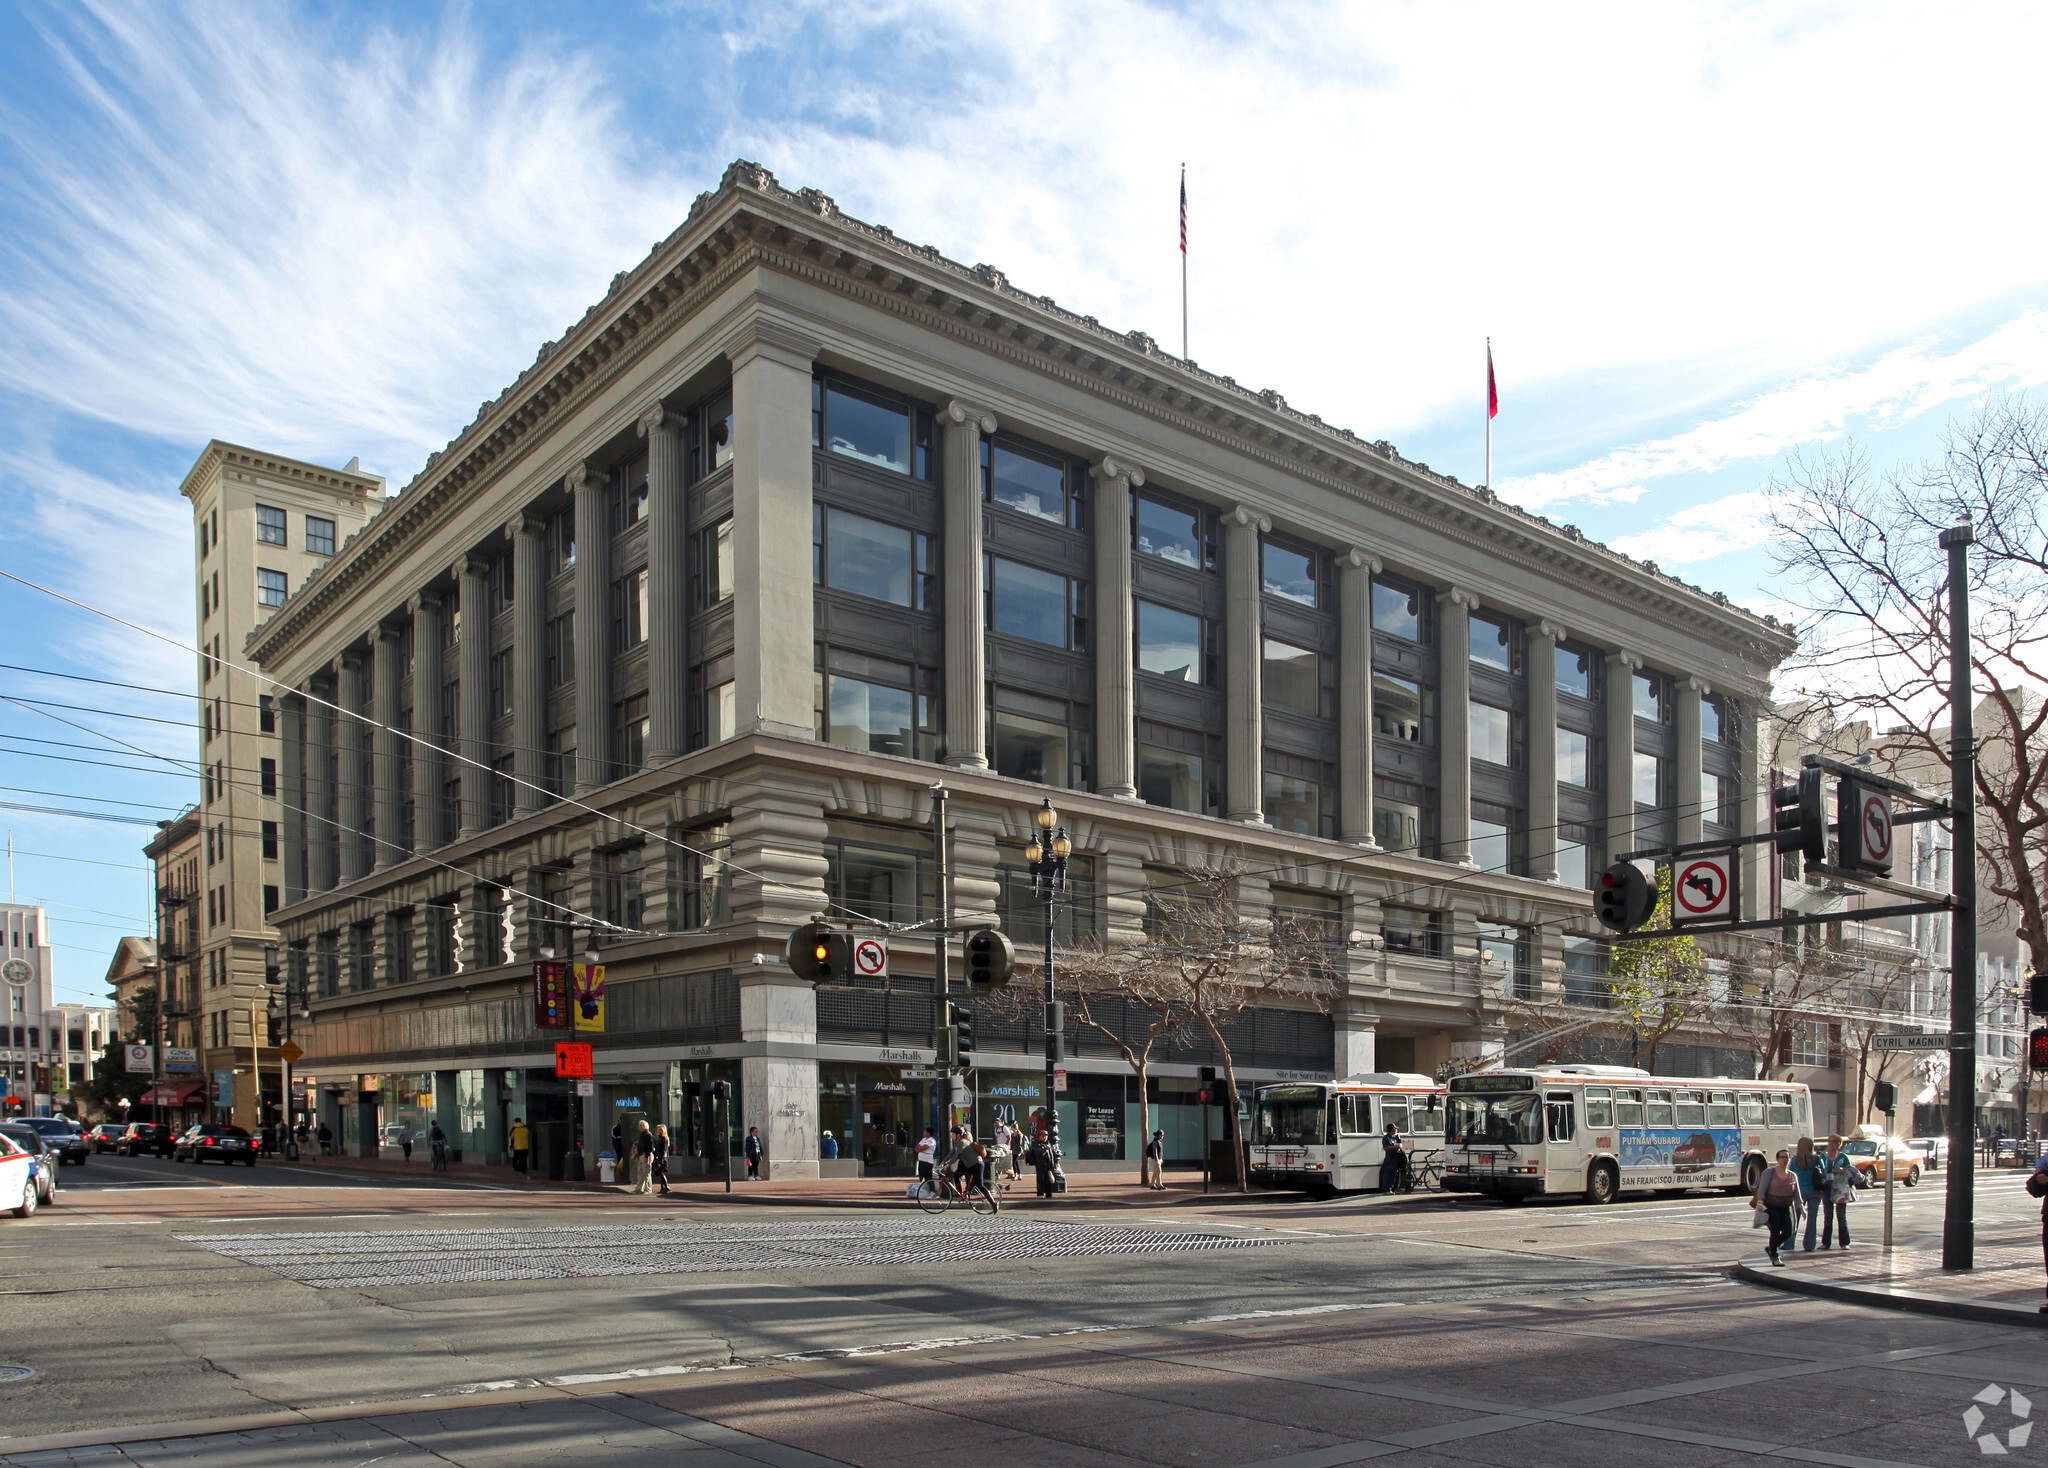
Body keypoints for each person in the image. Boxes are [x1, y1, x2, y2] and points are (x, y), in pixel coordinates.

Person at [1753, 1148, 1802, 1266]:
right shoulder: (1769, 1172)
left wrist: (1802, 1208)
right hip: (1771, 1206)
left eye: (1787, 1157)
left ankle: (1771, 1248)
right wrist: (1760, 1202)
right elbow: (1762, 1190)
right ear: (1777, 1159)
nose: (1785, 1159)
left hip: (1785, 1207)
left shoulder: (1792, 1175)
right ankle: (1775, 1256)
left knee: (1788, 1232)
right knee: (1775, 1231)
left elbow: (1797, 1194)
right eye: (1782, 1157)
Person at [945, 1125, 993, 1208]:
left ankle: (993, 1203)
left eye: (953, 1134)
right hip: (969, 1165)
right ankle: (961, 1195)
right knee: (956, 1174)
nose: (952, 1136)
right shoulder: (957, 1143)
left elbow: (957, 1155)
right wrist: (942, 1163)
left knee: (979, 1184)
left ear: (958, 1135)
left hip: (977, 1165)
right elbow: (951, 1153)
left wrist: (948, 1164)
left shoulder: (962, 1142)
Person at [1791, 1137, 1825, 1252]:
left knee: (1795, 1219)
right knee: (1812, 1219)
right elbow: (1823, 1174)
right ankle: (1809, 1245)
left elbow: (1791, 1176)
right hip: (1814, 1192)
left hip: (1799, 1192)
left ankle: (1789, 1243)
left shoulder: (1795, 1160)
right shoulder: (1816, 1159)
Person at [1820, 1134, 1854, 1250]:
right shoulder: (1823, 1156)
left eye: (1834, 1142)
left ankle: (1844, 1242)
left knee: (1841, 1215)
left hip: (1840, 1188)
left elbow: (1850, 1171)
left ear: (1838, 1144)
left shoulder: (1843, 1157)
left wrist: (1843, 1170)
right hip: (1827, 1187)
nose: (1831, 1144)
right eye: (1830, 1141)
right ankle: (1826, 1242)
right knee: (1828, 1216)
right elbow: (1819, 1168)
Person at [1379, 1120, 1407, 1193]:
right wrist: (1394, 1147)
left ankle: (1395, 1188)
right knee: (1390, 1175)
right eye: (1395, 1129)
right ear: (1392, 1130)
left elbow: (1400, 1145)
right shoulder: (1386, 1138)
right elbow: (1385, 1148)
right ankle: (1387, 1189)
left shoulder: (1395, 1137)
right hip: (1390, 1159)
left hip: (1396, 1158)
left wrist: (1399, 1140)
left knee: (1396, 1175)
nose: (1396, 1130)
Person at [633, 1119, 655, 1194]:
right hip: (641, 1155)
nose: (639, 1128)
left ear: (643, 1126)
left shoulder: (648, 1135)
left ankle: (648, 1189)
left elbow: (649, 1146)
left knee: (646, 1173)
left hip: (646, 1155)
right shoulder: (642, 1135)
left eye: (640, 1126)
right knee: (640, 1172)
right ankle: (639, 1188)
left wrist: (647, 1156)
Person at [651, 1123, 671, 1196]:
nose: (658, 1130)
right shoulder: (658, 1138)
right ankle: (662, 1187)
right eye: (658, 1129)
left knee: (661, 1172)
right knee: (659, 1173)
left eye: (660, 1129)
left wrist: (661, 1159)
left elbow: (664, 1150)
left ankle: (666, 1186)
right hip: (657, 1156)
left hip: (661, 1158)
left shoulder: (664, 1138)